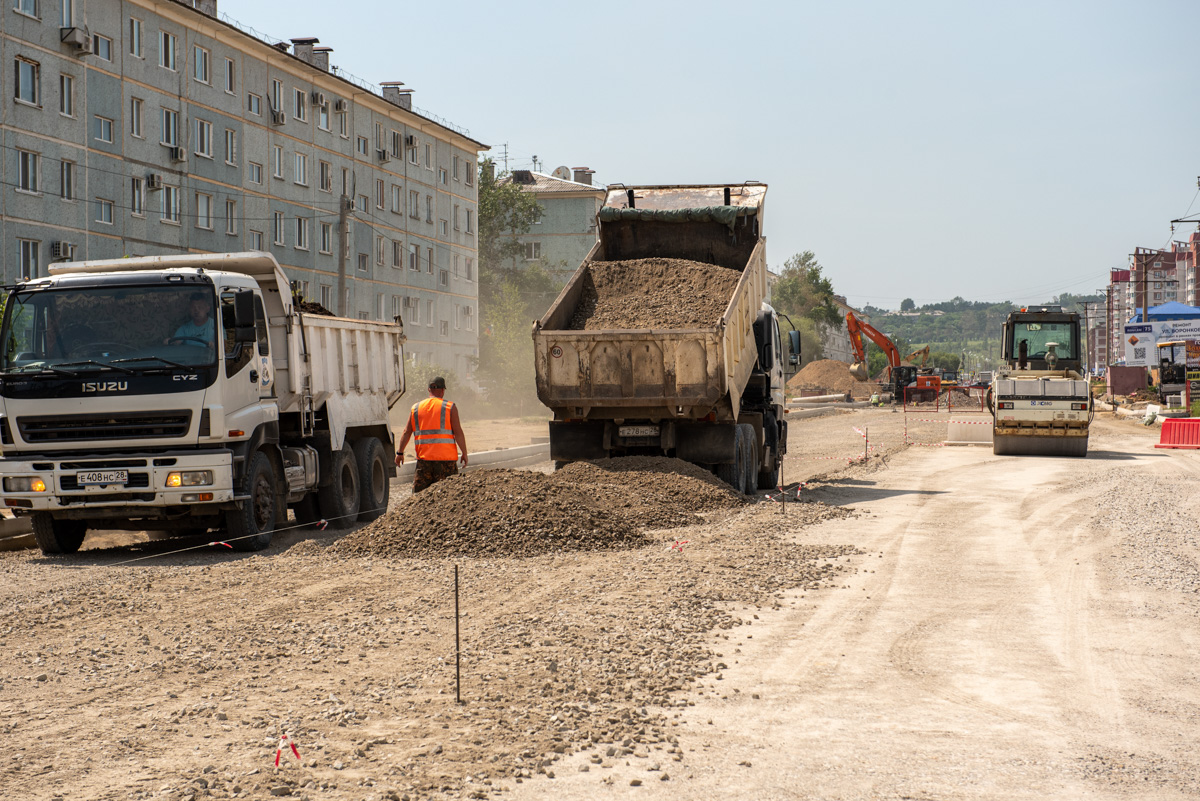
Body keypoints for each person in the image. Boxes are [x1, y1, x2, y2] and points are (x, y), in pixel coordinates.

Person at [395, 376, 468, 492]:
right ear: (443, 390)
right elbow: (458, 432)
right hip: (446, 463)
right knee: (448, 497)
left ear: (429, 389)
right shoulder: (450, 407)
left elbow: (406, 432)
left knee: (420, 500)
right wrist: (464, 452)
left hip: (424, 463)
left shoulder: (416, 408)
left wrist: (400, 452)